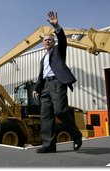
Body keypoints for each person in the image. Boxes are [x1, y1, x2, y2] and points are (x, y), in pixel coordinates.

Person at [32, 11, 82, 153]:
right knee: (46, 116)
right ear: (43, 43)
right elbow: (41, 76)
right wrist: (36, 88)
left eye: (50, 40)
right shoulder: (42, 59)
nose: (47, 41)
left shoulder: (58, 51)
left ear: (53, 42)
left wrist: (57, 26)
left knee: (60, 111)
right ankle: (49, 146)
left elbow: (63, 40)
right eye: (45, 40)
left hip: (57, 83)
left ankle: (76, 134)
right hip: (45, 87)